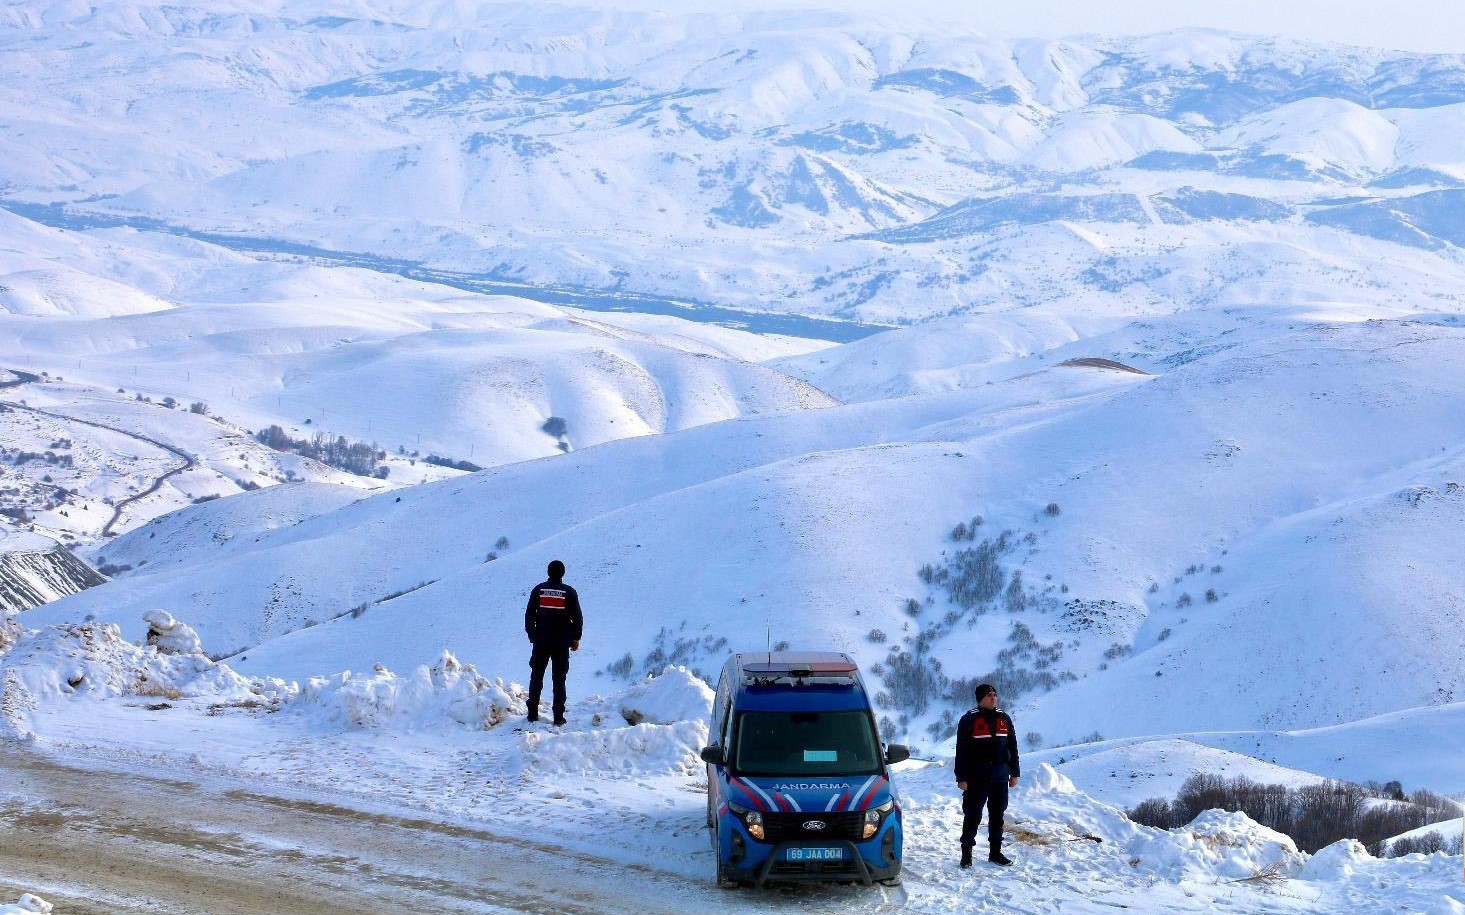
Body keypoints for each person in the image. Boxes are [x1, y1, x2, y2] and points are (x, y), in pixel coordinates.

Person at [954, 683, 1020, 868]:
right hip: (977, 777)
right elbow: (962, 750)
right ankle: (966, 854)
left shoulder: (1004, 718)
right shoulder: (969, 719)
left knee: (998, 815)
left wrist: (1014, 773)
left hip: (1000, 776)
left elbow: (1012, 747)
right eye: (989, 695)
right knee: (973, 815)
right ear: (980, 698)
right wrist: (961, 777)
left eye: (995, 694)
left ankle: (995, 853)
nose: (993, 697)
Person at [523, 559, 583, 726]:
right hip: (561, 642)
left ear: (548, 572)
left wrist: (532, 635)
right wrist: (576, 638)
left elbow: (529, 615)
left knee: (536, 676)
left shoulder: (539, 590)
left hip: (541, 641)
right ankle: (558, 717)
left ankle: (532, 714)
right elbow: (577, 617)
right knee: (559, 679)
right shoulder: (569, 592)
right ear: (562, 573)